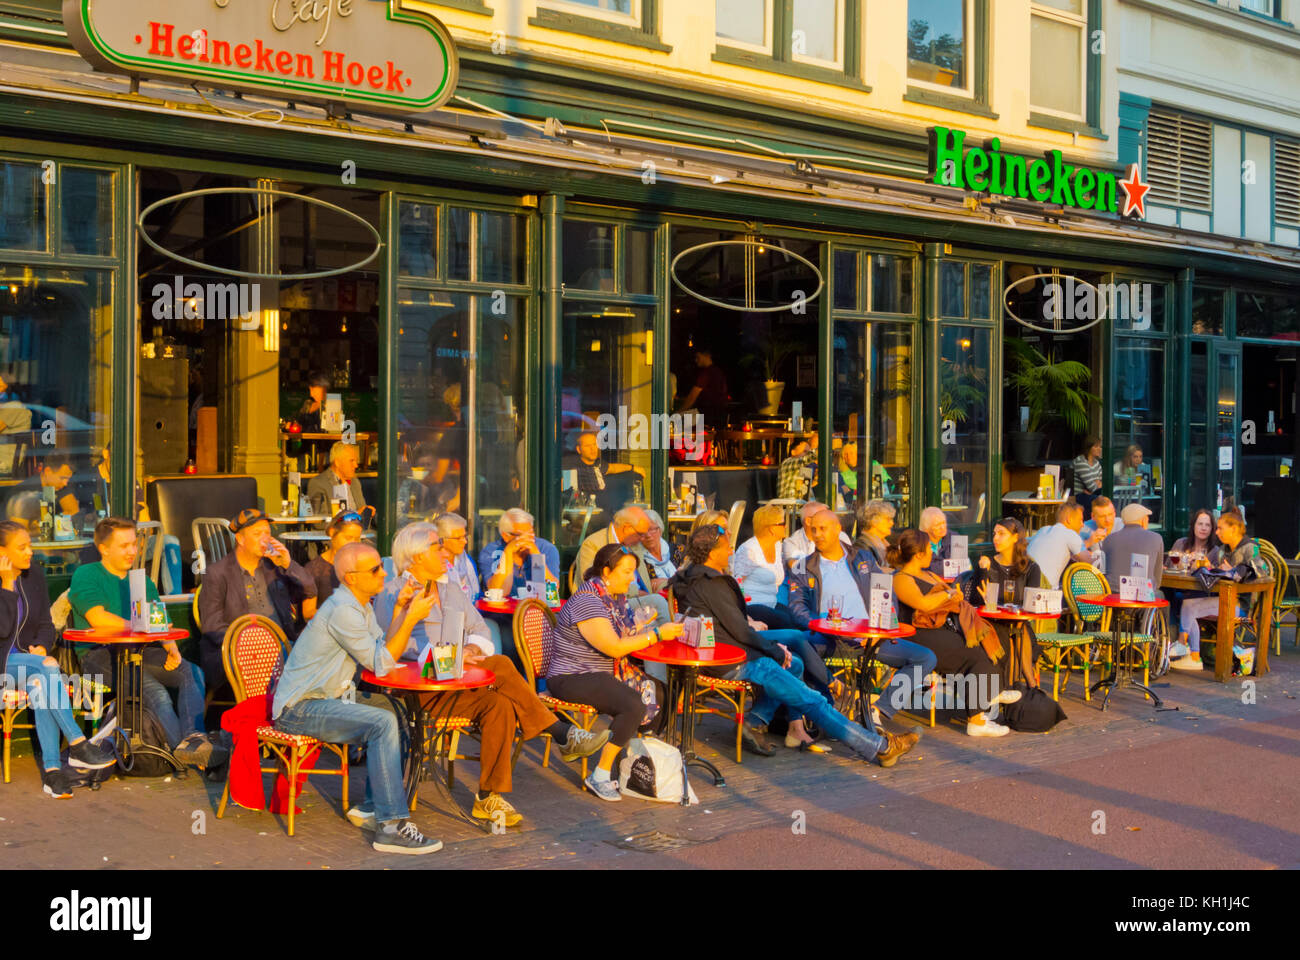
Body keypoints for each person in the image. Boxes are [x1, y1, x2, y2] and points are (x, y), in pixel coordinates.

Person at [374, 524, 607, 827]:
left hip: (462, 681)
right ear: (416, 557)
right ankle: (560, 733)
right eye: (437, 547)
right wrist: (451, 655)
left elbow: (481, 629)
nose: (445, 553)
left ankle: (488, 797)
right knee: (499, 664)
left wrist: (470, 648)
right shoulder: (392, 592)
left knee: (500, 703)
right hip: (423, 689)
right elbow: (386, 649)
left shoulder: (450, 589)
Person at [672, 526, 920, 765]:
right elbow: (740, 632)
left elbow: (730, 627)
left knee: (796, 663)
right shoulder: (714, 584)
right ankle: (880, 747)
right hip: (733, 659)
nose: (729, 552)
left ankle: (755, 721)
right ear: (713, 553)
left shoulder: (688, 577)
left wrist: (774, 649)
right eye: (726, 547)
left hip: (714, 653)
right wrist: (775, 651)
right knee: (813, 701)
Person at [272, 541, 443, 854]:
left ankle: (372, 806)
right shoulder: (342, 610)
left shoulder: (358, 605)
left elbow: (381, 651)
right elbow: (380, 663)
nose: (383, 573)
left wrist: (399, 612)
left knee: (398, 711)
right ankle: (391, 827)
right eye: (375, 569)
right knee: (381, 722)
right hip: (299, 707)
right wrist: (410, 619)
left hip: (329, 697)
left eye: (381, 565)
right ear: (351, 577)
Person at [69, 517, 223, 768]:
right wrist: (139, 626)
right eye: (124, 546)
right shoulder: (87, 574)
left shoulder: (141, 580)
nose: (132, 551)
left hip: (140, 652)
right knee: (156, 693)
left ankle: (194, 742)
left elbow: (159, 619)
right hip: (99, 655)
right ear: (104, 548)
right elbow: (98, 619)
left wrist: (170, 647)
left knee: (190, 671)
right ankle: (185, 757)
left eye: (134, 544)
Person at [546, 543, 685, 800]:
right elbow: (613, 647)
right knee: (633, 704)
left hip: (598, 673)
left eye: (634, 571)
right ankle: (599, 775)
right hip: (570, 676)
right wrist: (655, 634)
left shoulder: (612, 598)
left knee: (658, 692)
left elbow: (620, 634)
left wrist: (642, 624)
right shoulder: (588, 600)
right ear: (607, 572)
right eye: (627, 572)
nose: (633, 578)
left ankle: (635, 763)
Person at [786, 509, 936, 724]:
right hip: (829, 638)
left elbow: (885, 593)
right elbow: (796, 607)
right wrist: (818, 625)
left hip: (869, 638)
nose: (817, 534)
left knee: (925, 657)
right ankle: (815, 715)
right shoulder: (803, 566)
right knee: (795, 649)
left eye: (823, 528)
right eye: (813, 529)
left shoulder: (862, 557)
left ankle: (879, 711)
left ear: (838, 529)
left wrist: (882, 630)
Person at [0, 520, 115, 797]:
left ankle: (52, 773)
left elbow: (46, 624)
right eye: (22, 547)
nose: (30, 551)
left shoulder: (33, 575)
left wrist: (41, 646)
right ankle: (78, 742)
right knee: (47, 668)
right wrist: (6, 584)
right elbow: (3, 630)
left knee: (42, 684)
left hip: (30, 666)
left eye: (30, 545)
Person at [889, 529, 1020, 737]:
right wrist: (948, 594)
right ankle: (977, 719)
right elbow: (922, 604)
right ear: (918, 554)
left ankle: (991, 693)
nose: (933, 553)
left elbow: (946, 598)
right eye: (929, 549)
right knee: (973, 653)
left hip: (942, 627)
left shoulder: (929, 573)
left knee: (988, 639)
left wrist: (953, 596)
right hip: (917, 634)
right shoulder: (901, 578)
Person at [198, 508, 317, 695]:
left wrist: (288, 563)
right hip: (239, 652)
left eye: (268, 533)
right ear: (240, 539)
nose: (265, 538)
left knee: (322, 650)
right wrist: (251, 644)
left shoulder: (275, 567)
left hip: (283, 644)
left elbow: (309, 589)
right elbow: (212, 625)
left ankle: (317, 712)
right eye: (257, 533)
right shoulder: (217, 573)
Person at [1171, 511, 1268, 672]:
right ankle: (1192, 655)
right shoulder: (1224, 550)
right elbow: (1220, 575)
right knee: (1187, 603)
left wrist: (1235, 572)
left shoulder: (1250, 548)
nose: (1216, 532)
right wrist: (1211, 568)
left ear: (1234, 529)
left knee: (1189, 606)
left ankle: (1186, 649)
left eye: (1220, 528)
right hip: (1222, 599)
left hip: (1240, 605)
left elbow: (1262, 571)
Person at [971, 517, 1046, 691]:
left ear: (1015, 537)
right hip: (992, 626)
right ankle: (1027, 686)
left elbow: (1032, 603)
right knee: (1013, 637)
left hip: (1021, 627)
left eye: (1001, 534)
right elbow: (975, 601)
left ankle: (1013, 690)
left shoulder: (1031, 568)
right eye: (994, 533)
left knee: (1018, 630)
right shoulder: (988, 563)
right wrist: (983, 571)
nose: (995, 538)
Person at [574, 507, 670, 624]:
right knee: (658, 602)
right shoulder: (593, 544)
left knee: (657, 611)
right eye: (640, 534)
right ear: (627, 528)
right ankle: (670, 639)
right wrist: (635, 592)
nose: (642, 539)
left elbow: (644, 578)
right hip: (607, 603)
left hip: (639, 599)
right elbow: (592, 583)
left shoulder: (634, 544)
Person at [732, 503, 793, 626]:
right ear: (772, 528)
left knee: (798, 620)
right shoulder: (749, 550)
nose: (786, 526)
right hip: (752, 606)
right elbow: (735, 584)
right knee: (787, 622)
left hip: (772, 603)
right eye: (782, 523)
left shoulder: (777, 545)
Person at [478, 508, 560, 597]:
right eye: (521, 535)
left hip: (536, 609)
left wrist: (536, 554)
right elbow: (498, 592)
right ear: (505, 536)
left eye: (530, 534)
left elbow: (551, 594)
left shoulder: (546, 549)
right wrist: (508, 553)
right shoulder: (490, 552)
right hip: (501, 609)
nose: (528, 539)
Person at [1027, 500, 1103, 589]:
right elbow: (1092, 562)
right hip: (1043, 589)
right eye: (1081, 520)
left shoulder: (1043, 529)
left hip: (1026, 583)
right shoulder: (1070, 534)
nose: (1082, 525)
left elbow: (1025, 541)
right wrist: (1101, 553)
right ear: (1069, 519)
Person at [303, 511, 364, 617]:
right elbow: (308, 613)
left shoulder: (361, 566)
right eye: (348, 538)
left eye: (357, 538)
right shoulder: (314, 569)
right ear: (332, 532)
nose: (353, 543)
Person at [564, 430, 644, 505]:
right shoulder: (571, 464)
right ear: (579, 449)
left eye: (594, 444)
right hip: (583, 507)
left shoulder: (598, 463)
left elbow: (612, 468)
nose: (593, 449)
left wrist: (633, 468)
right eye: (588, 446)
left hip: (603, 505)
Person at [3, 454, 79, 530]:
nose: (65, 483)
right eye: (62, 478)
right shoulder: (23, 492)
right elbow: (19, 533)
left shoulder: (59, 486)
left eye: (67, 479)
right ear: (47, 471)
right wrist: (57, 525)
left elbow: (74, 513)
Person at [1101, 503, 1165, 590]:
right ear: (1143, 520)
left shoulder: (1108, 539)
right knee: (1162, 596)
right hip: (1142, 596)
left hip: (1111, 595)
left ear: (1124, 521)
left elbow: (1102, 571)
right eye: (1147, 518)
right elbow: (1157, 575)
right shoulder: (1156, 538)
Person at [305, 441, 369, 520]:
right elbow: (317, 521)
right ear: (337, 463)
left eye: (356, 461)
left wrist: (368, 513)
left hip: (359, 530)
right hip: (335, 531)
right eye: (351, 461)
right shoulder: (318, 483)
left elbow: (362, 510)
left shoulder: (355, 482)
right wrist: (351, 516)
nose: (356, 465)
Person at [675, 348, 729, 428]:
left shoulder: (706, 373)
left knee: (676, 422)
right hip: (719, 416)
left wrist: (677, 413)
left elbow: (692, 397)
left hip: (704, 415)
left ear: (707, 355)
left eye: (698, 357)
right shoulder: (719, 372)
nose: (696, 360)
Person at [783, 500, 850, 564]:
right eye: (822, 516)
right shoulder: (792, 543)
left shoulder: (840, 535)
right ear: (808, 521)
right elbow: (798, 569)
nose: (828, 519)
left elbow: (850, 562)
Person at [1080, 496, 1124, 567]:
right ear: (1093, 516)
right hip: (1095, 574)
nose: (1107, 520)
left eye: (1110, 514)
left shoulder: (1123, 525)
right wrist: (1089, 541)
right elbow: (1073, 553)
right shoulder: (1084, 528)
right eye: (1102, 516)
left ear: (1115, 513)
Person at [854, 499, 897, 568]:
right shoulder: (862, 546)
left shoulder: (885, 543)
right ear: (873, 521)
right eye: (888, 519)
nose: (892, 523)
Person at [639, 509, 676, 586]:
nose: (648, 535)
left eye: (652, 529)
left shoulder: (676, 551)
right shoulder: (639, 560)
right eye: (643, 531)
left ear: (660, 530)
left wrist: (667, 581)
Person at [776, 433, 818, 501]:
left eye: (808, 452)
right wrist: (814, 447)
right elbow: (810, 457)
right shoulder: (787, 463)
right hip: (788, 506)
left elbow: (806, 493)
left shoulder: (804, 467)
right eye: (805, 451)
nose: (807, 454)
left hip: (801, 506)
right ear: (793, 452)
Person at [1072, 435, 1104, 513]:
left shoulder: (1097, 463)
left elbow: (1102, 483)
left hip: (1092, 495)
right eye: (1096, 446)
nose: (1099, 449)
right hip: (1080, 496)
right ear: (1088, 448)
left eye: (1100, 446)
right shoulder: (1081, 462)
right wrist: (1096, 483)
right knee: (1101, 502)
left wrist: (1098, 484)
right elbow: (1092, 487)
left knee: (1106, 499)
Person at [918, 506, 952, 575]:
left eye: (943, 523)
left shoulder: (954, 538)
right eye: (937, 525)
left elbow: (964, 566)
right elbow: (925, 569)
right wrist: (949, 566)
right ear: (927, 529)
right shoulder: (919, 543)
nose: (942, 527)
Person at [835, 441, 859, 511]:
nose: (848, 457)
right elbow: (845, 491)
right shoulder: (841, 475)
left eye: (851, 453)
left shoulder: (873, 465)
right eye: (845, 454)